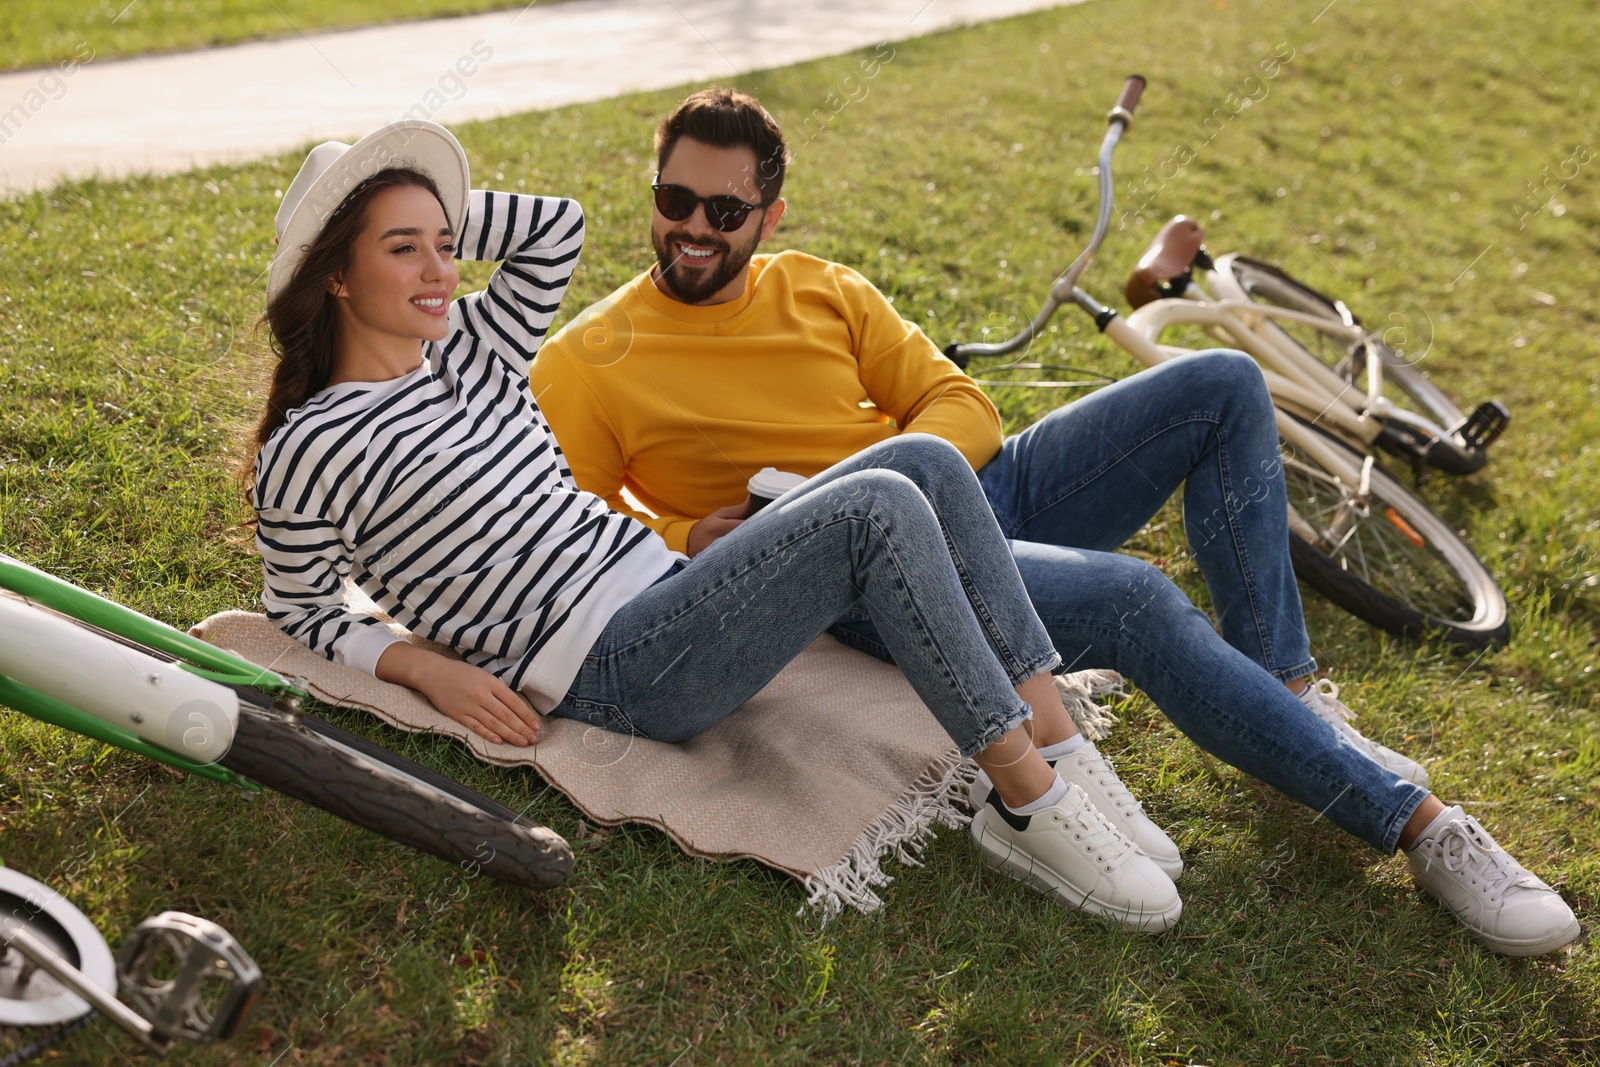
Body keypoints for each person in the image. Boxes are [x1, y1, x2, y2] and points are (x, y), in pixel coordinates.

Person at [526, 89, 1581, 956]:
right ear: (651, 189)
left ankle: (1292, 692)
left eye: (725, 211)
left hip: (976, 490)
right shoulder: (591, 357)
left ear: (771, 215)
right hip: (867, 564)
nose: (694, 229)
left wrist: (885, 461)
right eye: (675, 199)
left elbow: (962, 409)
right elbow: (565, 528)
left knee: (1219, 380)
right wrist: (699, 532)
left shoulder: (819, 287)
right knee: (1132, 598)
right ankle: (1420, 827)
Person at [249, 118, 1191, 933]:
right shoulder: (310, 443)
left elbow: (556, 228)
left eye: (445, 244)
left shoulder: (472, 349)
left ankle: (1057, 741)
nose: (441, 271)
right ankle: (1025, 801)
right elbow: (300, 606)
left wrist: (412, 198)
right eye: (402, 248)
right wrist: (422, 664)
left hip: (664, 590)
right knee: (878, 506)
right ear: (334, 273)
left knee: (928, 461)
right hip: (612, 669)